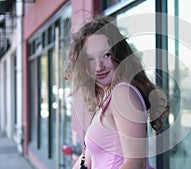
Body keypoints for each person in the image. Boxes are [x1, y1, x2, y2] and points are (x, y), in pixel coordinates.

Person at [64, 15, 168, 169]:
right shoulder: (107, 97)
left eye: (106, 55)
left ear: (119, 55)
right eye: (90, 59)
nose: (99, 67)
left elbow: (135, 163)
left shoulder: (123, 93)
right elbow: (88, 159)